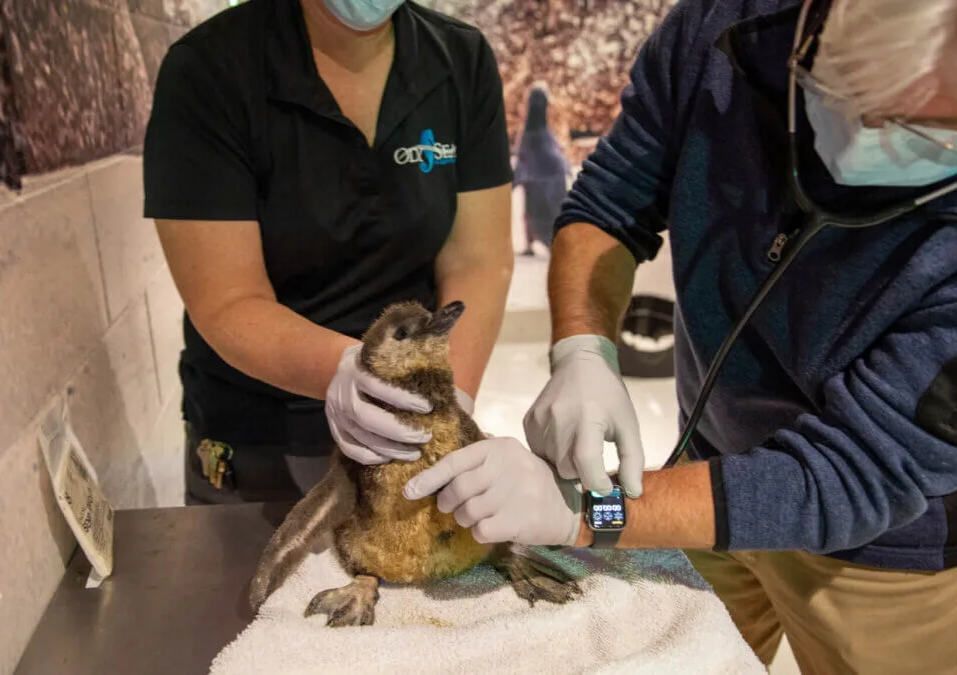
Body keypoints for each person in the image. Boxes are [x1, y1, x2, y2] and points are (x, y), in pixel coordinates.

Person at [398, 0, 957, 672]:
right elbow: (609, 200)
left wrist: (584, 511)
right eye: (840, 93)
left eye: (918, 129)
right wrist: (582, 349)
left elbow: (846, 476)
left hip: (882, 555)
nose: (864, 136)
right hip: (703, 475)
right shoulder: (725, 27)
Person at [141, 0, 513, 505]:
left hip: (412, 415)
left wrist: (448, 400)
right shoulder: (210, 70)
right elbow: (228, 300)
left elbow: (478, 261)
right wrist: (347, 369)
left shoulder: (459, 59)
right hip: (262, 431)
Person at [512, 84, 571, 256]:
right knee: (548, 211)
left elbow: (524, 157)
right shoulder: (543, 132)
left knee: (534, 211)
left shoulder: (530, 133)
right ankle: (549, 242)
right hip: (551, 178)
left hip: (536, 179)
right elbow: (555, 155)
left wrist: (516, 179)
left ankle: (535, 243)